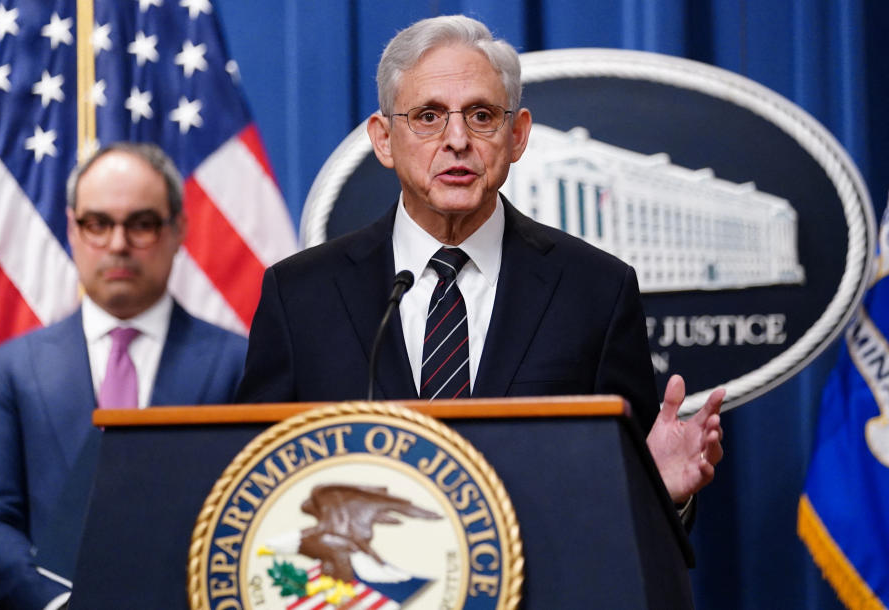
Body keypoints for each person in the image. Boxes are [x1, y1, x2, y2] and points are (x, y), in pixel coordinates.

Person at [235, 15, 722, 513]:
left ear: (516, 135)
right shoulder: (301, 296)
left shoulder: (595, 291)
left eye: (482, 115)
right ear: (383, 139)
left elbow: (623, 505)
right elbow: (253, 482)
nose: (457, 140)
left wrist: (662, 492)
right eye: (428, 116)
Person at [0, 142, 247, 610]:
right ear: (72, 230)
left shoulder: (238, 363)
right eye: (98, 224)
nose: (118, 244)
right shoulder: (11, 370)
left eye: (141, 224)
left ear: (178, 229)